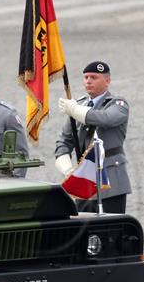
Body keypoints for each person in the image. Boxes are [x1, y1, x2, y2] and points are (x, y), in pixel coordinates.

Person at [55, 61, 131, 213]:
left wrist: (75, 110)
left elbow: (106, 119)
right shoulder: (79, 105)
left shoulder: (117, 104)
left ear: (107, 80)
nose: (88, 81)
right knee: (86, 231)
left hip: (110, 180)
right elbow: (64, 141)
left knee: (111, 231)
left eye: (94, 77)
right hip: (83, 181)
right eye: (86, 77)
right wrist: (67, 169)